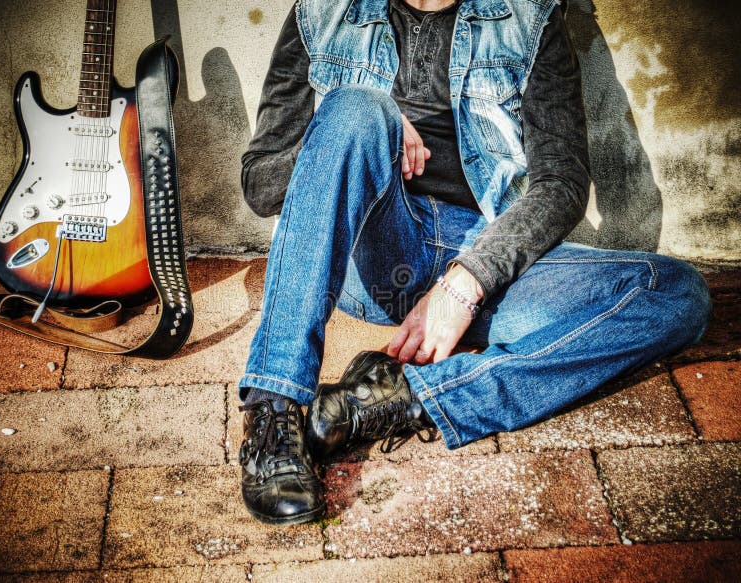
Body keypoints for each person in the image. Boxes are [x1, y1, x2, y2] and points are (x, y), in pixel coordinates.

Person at [236, 0, 711, 526]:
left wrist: (469, 280)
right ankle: (273, 408)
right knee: (354, 108)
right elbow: (260, 183)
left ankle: (400, 398)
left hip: (485, 252)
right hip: (372, 255)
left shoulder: (528, 17)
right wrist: (376, 128)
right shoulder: (321, 15)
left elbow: (562, 185)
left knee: (674, 291)